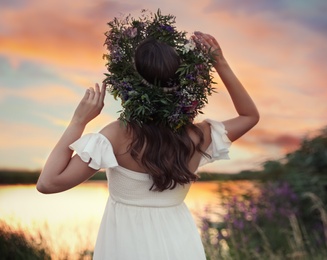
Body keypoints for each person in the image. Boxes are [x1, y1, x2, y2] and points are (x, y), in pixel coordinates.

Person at [37, 11, 259, 260]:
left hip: (126, 244)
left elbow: (48, 183)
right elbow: (249, 116)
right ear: (184, 80)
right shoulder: (199, 135)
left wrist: (78, 121)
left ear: (129, 83)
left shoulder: (116, 135)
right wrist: (220, 63)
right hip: (180, 242)